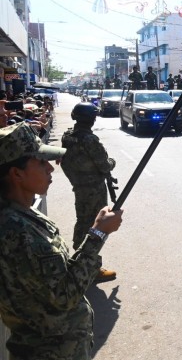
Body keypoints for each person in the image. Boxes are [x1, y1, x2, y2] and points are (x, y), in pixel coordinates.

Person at [0, 122, 123, 359]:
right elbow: (64, 295)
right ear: (16, 174)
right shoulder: (15, 230)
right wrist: (98, 234)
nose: (50, 168)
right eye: (41, 162)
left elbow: (58, 275)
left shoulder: (23, 213)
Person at [60, 102, 118, 282]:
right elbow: (104, 165)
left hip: (79, 185)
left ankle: (78, 262)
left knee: (82, 222)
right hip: (93, 188)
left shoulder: (68, 136)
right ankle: (91, 269)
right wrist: (112, 161)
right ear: (90, 119)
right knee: (97, 227)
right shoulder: (89, 140)